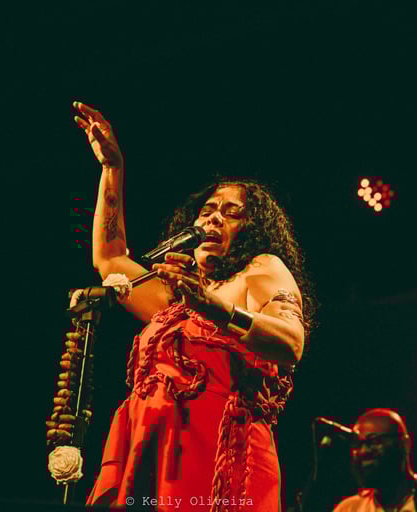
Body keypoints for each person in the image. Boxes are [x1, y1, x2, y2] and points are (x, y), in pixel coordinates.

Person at [47, 101, 316, 511]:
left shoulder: (260, 270)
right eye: (207, 211)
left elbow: (291, 344)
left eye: (232, 214)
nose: (213, 219)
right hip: (153, 453)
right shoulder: (176, 302)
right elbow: (111, 259)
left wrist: (213, 307)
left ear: (253, 230)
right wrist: (112, 168)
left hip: (217, 457)